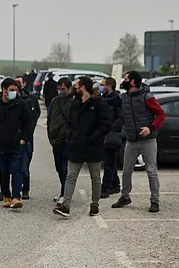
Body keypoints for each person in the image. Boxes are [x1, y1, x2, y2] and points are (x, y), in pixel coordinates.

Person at [53, 77, 112, 217]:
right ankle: (65, 206)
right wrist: (71, 136)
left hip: (93, 146)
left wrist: (92, 138)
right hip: (76, 146)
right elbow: (71, 123)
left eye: (77, 86)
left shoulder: (99, 103)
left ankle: (94, 205)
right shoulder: (75, 103)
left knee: (95, 177)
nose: (75, 88)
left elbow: (105, 124)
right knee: (71, 176)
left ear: (83, 88)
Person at [112, 71, 166, 213]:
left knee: (151, 171)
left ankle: (155, 201)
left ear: (133, 82)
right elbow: (109, 104)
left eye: (126, 79)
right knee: (126, 170)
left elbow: (161, 114)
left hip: (148, 140)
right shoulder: (124, 97)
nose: (123, 80)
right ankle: (125, 197)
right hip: (131, 140)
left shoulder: (147, 97)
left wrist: (150, 127)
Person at [0, 78, 33, 209]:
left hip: (17, 144)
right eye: (11, 90)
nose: (14, 93)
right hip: (0, 145)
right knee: (4, 171)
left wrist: (24, 139)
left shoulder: (21, 105)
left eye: (16, 90)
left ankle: (16, 197)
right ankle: (6, 196)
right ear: (4, 90)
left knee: (16, 170)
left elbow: (28, 123)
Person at [47, 78, 74, 204]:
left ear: (69, 88)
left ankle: (65, 193)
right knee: (59, 167)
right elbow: (50, 119)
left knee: (65, 168)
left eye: (63, 89)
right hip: (55, 139)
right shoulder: (54, 101)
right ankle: (63, 192)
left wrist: (69, 135)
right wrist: (50, 135)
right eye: (59, 88)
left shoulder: (73, 102)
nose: (60, 91)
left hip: (67, 140)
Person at [14, 76, 41, 200]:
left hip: (25, 138)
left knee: (24, 165)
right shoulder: (10, 102)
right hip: (12, 138)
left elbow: (34, 117)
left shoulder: (29, 100)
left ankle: (25, 189)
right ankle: (13, 190)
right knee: (11, 166)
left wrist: (27, 134)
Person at [100, 77, 123, 198]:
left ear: (109, 86)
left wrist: (112, 128)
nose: (101, 87)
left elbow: (121, 117)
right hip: (104, 134)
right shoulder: (104, 99)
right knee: (110, 162)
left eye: (102, 85)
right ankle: (115, 185)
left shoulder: (117, 100)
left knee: (109, 162)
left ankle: (106, 188)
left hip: (112, 135)